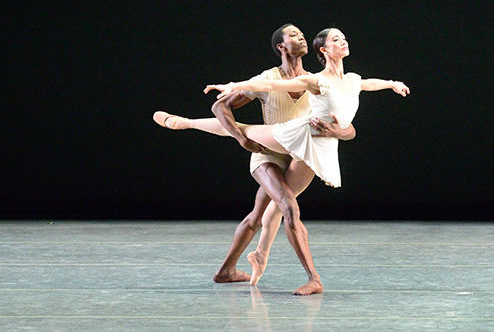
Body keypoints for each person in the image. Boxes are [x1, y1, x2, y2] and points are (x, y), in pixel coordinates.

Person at [155, 27, 410, 286]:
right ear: (282, 46)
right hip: (271, 148)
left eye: (302, 35)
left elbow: (356, 111)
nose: (300, 37)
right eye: (294, 35)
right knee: (285, 201)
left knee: (266, 213)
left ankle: (241, 265)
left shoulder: (336, 81)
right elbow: (259, 88)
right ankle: (185, 123)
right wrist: (239, 123)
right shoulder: (301, 80)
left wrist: (389, 86)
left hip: (302, 149)